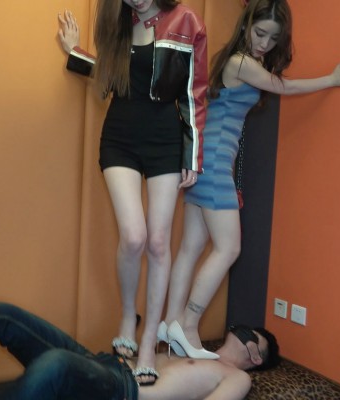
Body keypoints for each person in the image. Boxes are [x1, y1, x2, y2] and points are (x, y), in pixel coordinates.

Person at [161, 0, 340, 357]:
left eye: (273, 38)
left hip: (204, 162)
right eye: (260, 33)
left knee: (191, 248)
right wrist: (331, 79)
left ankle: (171, 323)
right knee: (229, 248)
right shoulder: (240, 63)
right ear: (246, 24)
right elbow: (283, 87)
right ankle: (188, 325)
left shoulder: (231, 60)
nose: (265, 44)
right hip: (214, 164)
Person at [56, 0, 208, 383]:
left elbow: (195, 92)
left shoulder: (186, 20)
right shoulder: (117, 21)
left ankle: (148, 342)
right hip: (120, 135)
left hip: (165, 139)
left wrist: (193, 153)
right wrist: (74, 52)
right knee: (134, 236)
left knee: (158, 243)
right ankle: (128, 315)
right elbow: (110, 77)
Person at [0, 302, 280, 400]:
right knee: (0, 316)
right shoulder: (193, 345)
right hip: (101, 364)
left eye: (248, 335)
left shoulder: (236, 376)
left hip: (122, 391)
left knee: (52, 366)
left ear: (256, 356)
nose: (236, 331)